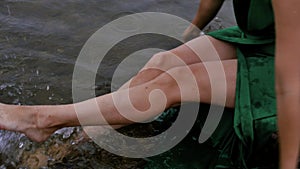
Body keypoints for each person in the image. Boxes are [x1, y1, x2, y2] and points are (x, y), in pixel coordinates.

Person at [0, 0, 299, 168]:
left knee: (176, 82)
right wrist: (187, 38)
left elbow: (289, 83)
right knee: (162, 63)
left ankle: (42, 119)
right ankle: (76, 143)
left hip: (292, 62)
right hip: (263, 39)